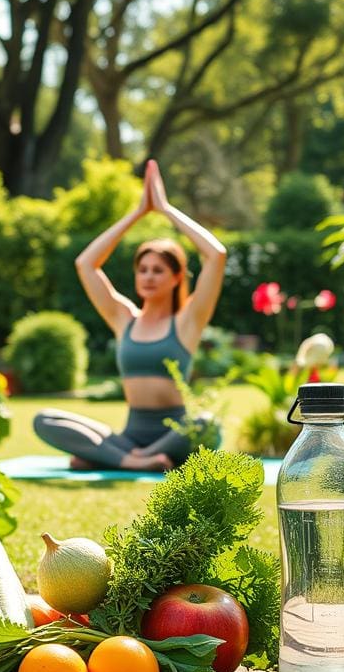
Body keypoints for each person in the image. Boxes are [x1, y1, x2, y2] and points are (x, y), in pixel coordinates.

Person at [34, 160, 227, 471]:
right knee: (44, 420)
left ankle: (111, 459)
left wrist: (164, 209)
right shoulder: (123, 318)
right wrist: (137, 213)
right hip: (129, 437)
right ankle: (135, 461)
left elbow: (216, 255)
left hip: (174, 436)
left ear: (177, 277)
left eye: (158, 270)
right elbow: (86, 264)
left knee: (207, 424)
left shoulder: (187, 320)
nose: (148, 277)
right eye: (143, 270)